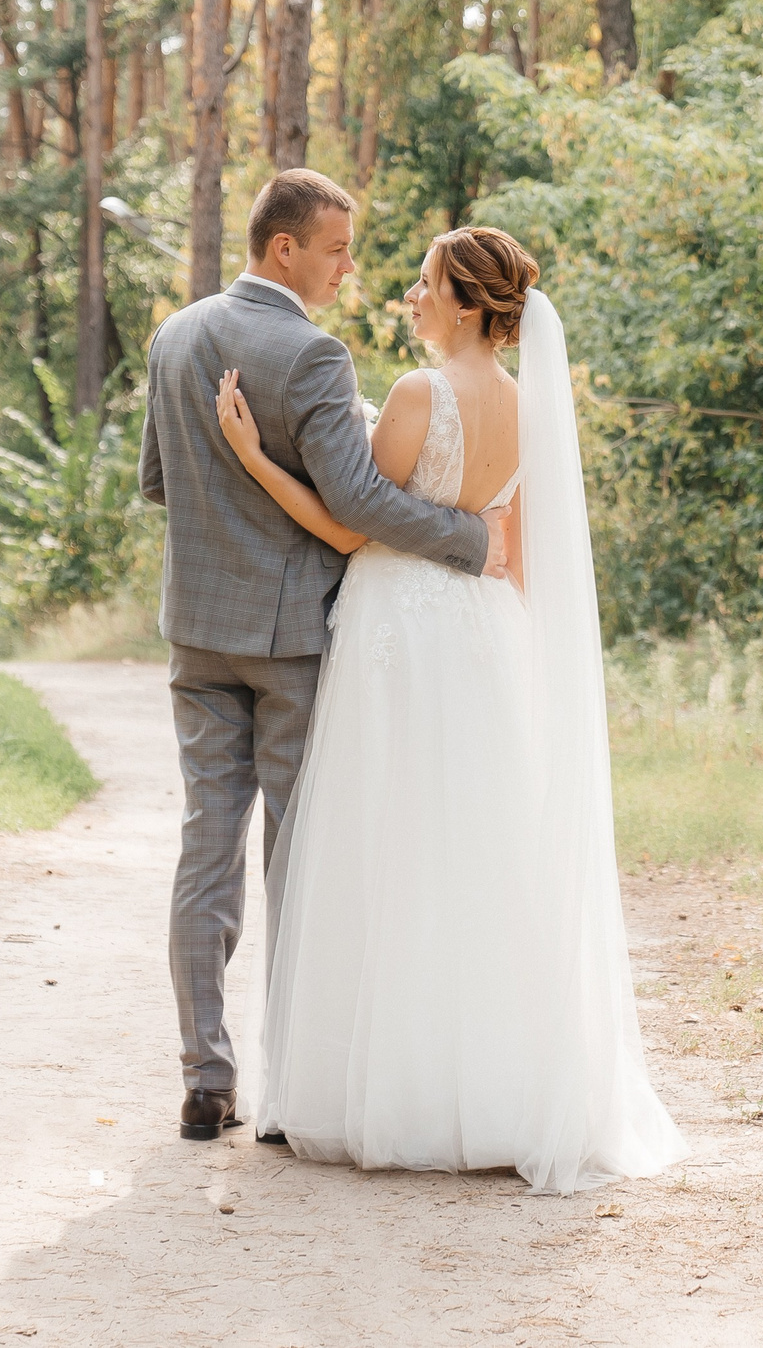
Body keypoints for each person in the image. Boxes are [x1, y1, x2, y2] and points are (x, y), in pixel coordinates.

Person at [213, 224, 686, 1193]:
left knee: (387, 849)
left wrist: (255, 457)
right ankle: (496, 1088)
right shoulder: (527, 406)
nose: (411, 297)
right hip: (482, 637)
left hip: (396, 635)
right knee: (478, 853)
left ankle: (390, 1088)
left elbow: (352, 525)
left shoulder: (419, 393)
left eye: (425, 284)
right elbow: (519, 552)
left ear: (467, 304)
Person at [137, 169, 510, 1143]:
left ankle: (205, 1078)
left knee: (205, 846)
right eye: (337, 249)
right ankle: (290, 1087)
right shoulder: (311, 353)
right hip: (293, 637)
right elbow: (359, 503)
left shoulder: (174, 335)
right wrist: (470, 540)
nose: (349, 267)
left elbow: (159, 482)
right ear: (284, 248)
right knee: (300, 859)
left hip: (196, 632)